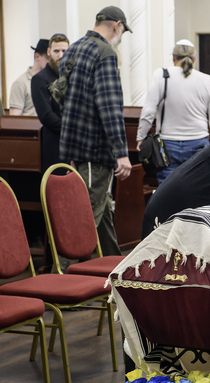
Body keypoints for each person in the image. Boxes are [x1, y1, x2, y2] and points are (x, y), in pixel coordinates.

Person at [59, 5, 133, 256]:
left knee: (100, 216)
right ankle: (67, 277)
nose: (120, 39)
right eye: (123, 33)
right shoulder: (105, 53)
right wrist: (121, 152)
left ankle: (113, 271)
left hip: (74, 148)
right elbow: (109, 105)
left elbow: (60, 97)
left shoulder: (73, 49)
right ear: (117, 26)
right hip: (95, 152)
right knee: (85, 219)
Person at [136, 39, 210, 185]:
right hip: (199, 143)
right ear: (194, 59)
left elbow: (148, 112)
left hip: (167, 145)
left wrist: (140, 137)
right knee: (198, 188)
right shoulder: (207, 80)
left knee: (168, 192)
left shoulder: (161, 76)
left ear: (173, 57)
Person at [31, 34, 70, 172]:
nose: (60, 55)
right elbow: (46, 116)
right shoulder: (39, 79)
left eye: (64, 51)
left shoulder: (72, 77)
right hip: (54, 146)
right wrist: (72, 130)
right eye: (56, 51)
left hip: (74, 147)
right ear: (49, 52)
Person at [9, 39, 49, 116]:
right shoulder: (20, 83)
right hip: (30, 127)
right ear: (37, 56)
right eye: (48, 58)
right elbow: (14, 119)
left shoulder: (54, 81)